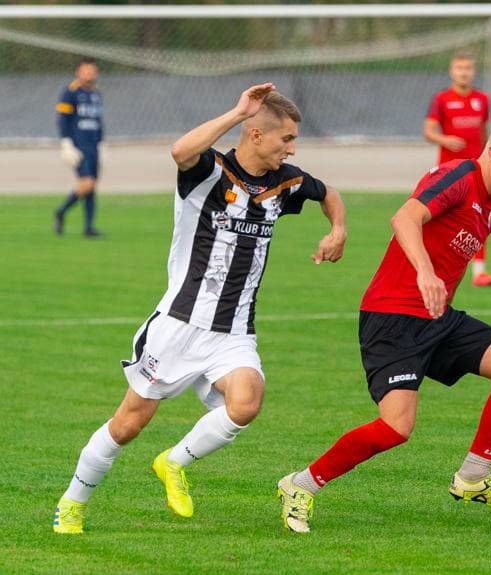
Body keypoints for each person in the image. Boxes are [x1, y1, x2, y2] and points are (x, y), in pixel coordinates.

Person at [52, 84, 347, 534]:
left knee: (246, 403)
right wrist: (237, 111)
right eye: (285, 139)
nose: (291, 147)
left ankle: (173, 462)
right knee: (128, 423)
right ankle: (72, 502)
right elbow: (179, 150)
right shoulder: (209, 172)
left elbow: (328, 193)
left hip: (233, 333)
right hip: (178, 326)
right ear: (255, 135)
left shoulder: (285, 182)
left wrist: (337, 230)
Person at [276, 116, 491, 534]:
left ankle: (473, 476)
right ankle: (300, 484)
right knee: (396, 428)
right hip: (393, 315)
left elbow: (449, 258)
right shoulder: (458, 174)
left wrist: (437, 289)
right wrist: (424, 272)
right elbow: (405, 217)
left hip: (437, 319)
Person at [425, 51, 491, 287]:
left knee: (480, 217)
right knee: (442, 219)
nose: (464, 72)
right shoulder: (441, 99)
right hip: (449, 171)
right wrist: (445, 140)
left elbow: (484, 132)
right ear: (451, 71)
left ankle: (479, 272)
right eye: (459, 68)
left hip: (476, 171)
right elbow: (429, 131)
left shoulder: (483, 99)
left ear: (474, 71)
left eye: (468, 68)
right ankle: (434, 265)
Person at [54, 57, 105, 238]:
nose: (89, 74)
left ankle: (89, 227)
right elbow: (62, 119)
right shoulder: (71, 91)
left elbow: (98, 121)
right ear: (79, 71)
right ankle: (61, 211)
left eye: (92, 71)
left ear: (96, 73)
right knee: (87, 183)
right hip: (78, 146)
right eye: (85, 70)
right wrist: (66, 143)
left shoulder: (96, 94)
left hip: (93, 145)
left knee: (92, 186)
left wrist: (101, 143)